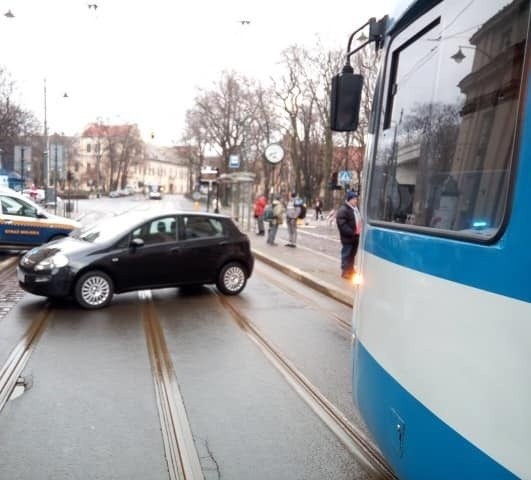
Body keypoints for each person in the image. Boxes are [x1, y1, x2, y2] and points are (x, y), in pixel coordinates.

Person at [336, 191, 362, 279]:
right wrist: (351, 232)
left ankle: (351, 270)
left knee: (352, 254)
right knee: (346, 254)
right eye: (354, 199)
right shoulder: (344, 210)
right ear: (349, 200)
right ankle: (345, 271)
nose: (356, 201)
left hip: (356, 236)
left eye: (356, 199)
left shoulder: (355, 209)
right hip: (348, 237)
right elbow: (342, 224)